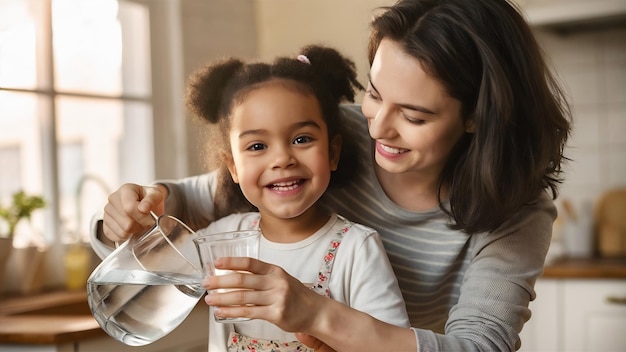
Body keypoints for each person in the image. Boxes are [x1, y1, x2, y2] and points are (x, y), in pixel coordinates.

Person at [94, 0, 572, 351]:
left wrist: (319, 314)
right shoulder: (328, 134)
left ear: (477, 117)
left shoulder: (516, 207)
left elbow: (482, 346)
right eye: (377, 93)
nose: (379, 127)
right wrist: (136, 206)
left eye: (414, 115)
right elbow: (194, 198)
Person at [93, 44, 410, 352]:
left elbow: (393, 344)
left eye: (301, 139)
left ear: (333, 152)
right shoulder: (217, 242)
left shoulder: (357, 250)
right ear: (231, 166)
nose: (282, 159)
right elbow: (144, 265)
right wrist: (127, 223)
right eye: (257, 146)